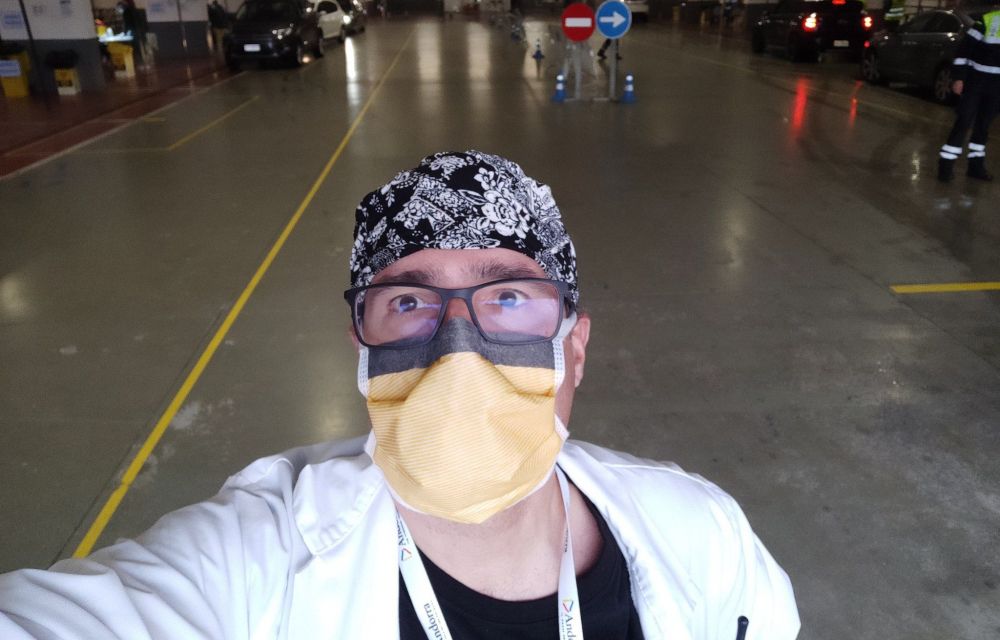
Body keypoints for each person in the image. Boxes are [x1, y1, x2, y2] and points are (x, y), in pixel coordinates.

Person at [0, 151, 800, 639]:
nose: (459, 347)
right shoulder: (255, 566)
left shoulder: (705, 540)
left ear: (576, 349)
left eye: (508, 297)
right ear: (363, 349)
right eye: (410, 301)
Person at [938, 8, 1000, 183]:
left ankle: (975, 167)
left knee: (983, 126)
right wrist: (959, 78)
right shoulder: (987, 20)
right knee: (963, 122)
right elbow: (964, 50)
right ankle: (946, 165)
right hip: (976, 81)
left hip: (997, 86)